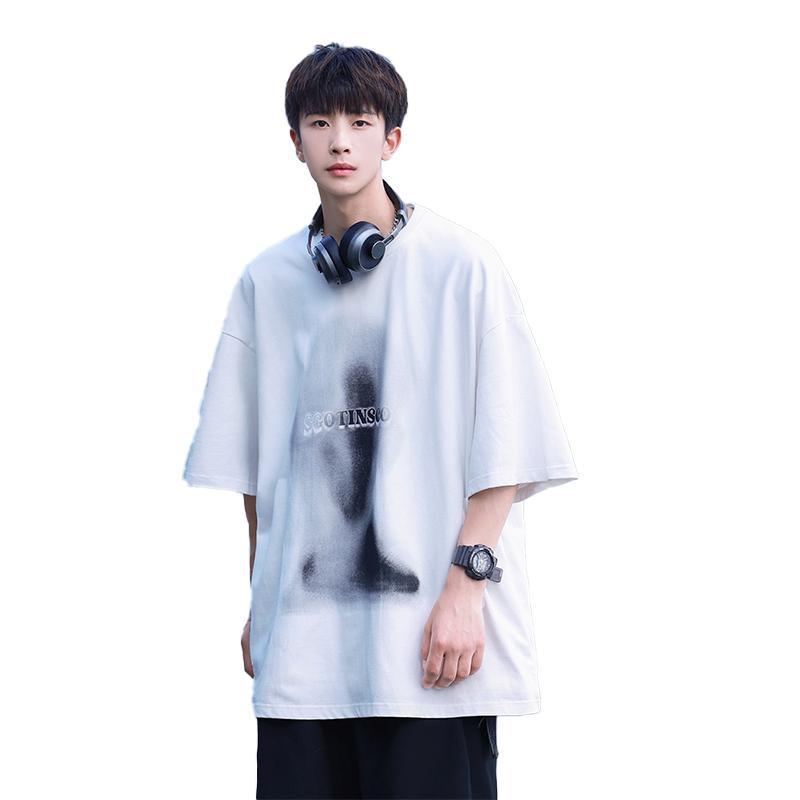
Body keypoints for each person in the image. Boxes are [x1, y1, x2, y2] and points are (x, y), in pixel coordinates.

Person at [183, 42, 579, 800]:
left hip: (429, 655)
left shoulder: (462, 265)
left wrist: (467, 588)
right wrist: (263, 599)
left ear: (392, 138)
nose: (340, 142)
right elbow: (253, 468)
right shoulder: (267, 283)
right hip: (306, 659)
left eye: (360, 123)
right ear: (294, 140)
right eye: (320, 123)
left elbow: (510, 442)